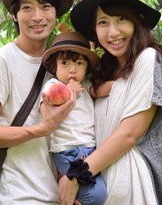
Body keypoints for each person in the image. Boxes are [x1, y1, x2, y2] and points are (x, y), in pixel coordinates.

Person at [58, 0, 162, 205]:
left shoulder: (147, 59)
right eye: (103, 23)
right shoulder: (100, 74)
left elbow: (129, 134)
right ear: (94, 30)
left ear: (137, 22)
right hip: (104, 188)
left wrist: (77, 175)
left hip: (140, 189)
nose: (113, 32)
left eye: (121, 19)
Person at [0, 0, 76, 204]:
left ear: (56, 14)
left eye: (46, 7)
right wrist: (43, 128)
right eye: (27, 8)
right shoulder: (0, 62)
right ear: (14, 16)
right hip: (22, 194)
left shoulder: (62, 63)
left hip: (63, 192)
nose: (37, 16)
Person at [41, 31, 107, 205]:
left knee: (99, 193)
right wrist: (70, 91)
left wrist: (122, 84)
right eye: (65, 63)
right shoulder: (54, 85)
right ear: (55, 67)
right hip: (67, 151)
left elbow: (99, 90)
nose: (72, 69)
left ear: (86, 68)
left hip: (90, 151)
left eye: (79, 63)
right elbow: (53, 101)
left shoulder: (85, 84)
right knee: (96, 196)